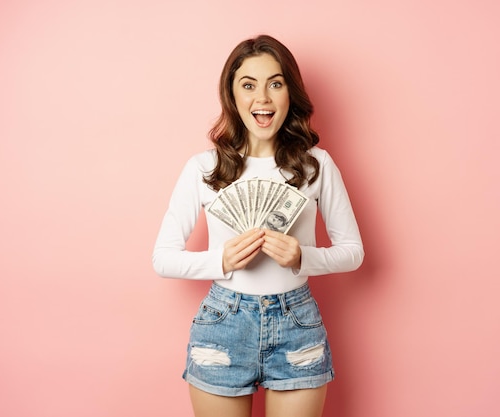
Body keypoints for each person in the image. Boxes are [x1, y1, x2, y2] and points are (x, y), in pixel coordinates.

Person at [152, 34, 364, 417]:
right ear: (232, 97)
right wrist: (221, 262)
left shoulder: (316, 165)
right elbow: (163, 258)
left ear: (290, 94)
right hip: (223, 322)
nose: (262, 98)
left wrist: (303, 256)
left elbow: (353, 252)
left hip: (297, 323)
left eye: (275, 84)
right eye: (248, 85)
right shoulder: (204, 168)